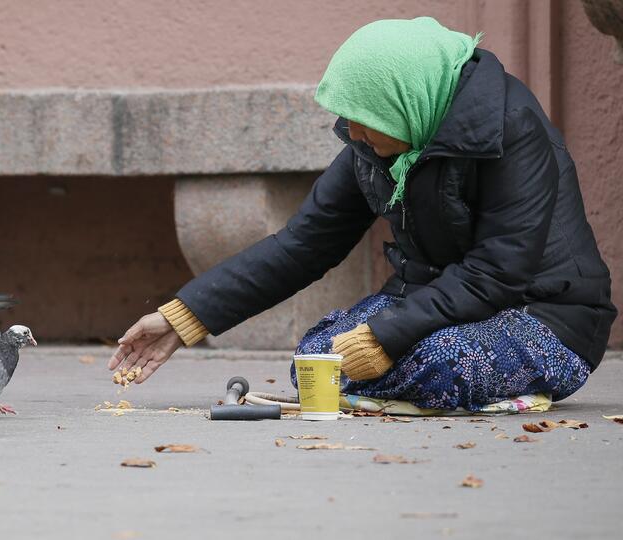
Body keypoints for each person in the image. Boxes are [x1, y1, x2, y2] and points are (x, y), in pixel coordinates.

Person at [107, 17, 617, 411]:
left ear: (404, 102)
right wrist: (184, 317)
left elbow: (499, 271)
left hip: (544, 317)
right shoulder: (376, 145)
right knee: (318, 362)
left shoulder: (514, 131)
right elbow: (304, 243)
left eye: (364, 117)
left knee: (435, 363)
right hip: (440, 307)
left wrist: (387, 334)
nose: (351, 132)